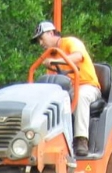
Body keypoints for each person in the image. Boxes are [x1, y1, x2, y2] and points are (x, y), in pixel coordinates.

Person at [30, 20, 101, 157]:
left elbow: (78, 56)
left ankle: (81, 140)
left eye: (41, 38)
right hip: (68, 89)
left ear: (51, 33)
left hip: (87, 86)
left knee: (80, 96)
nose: (40, 43)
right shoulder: (51, 54)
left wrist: (56, 61)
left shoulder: (69, 42)